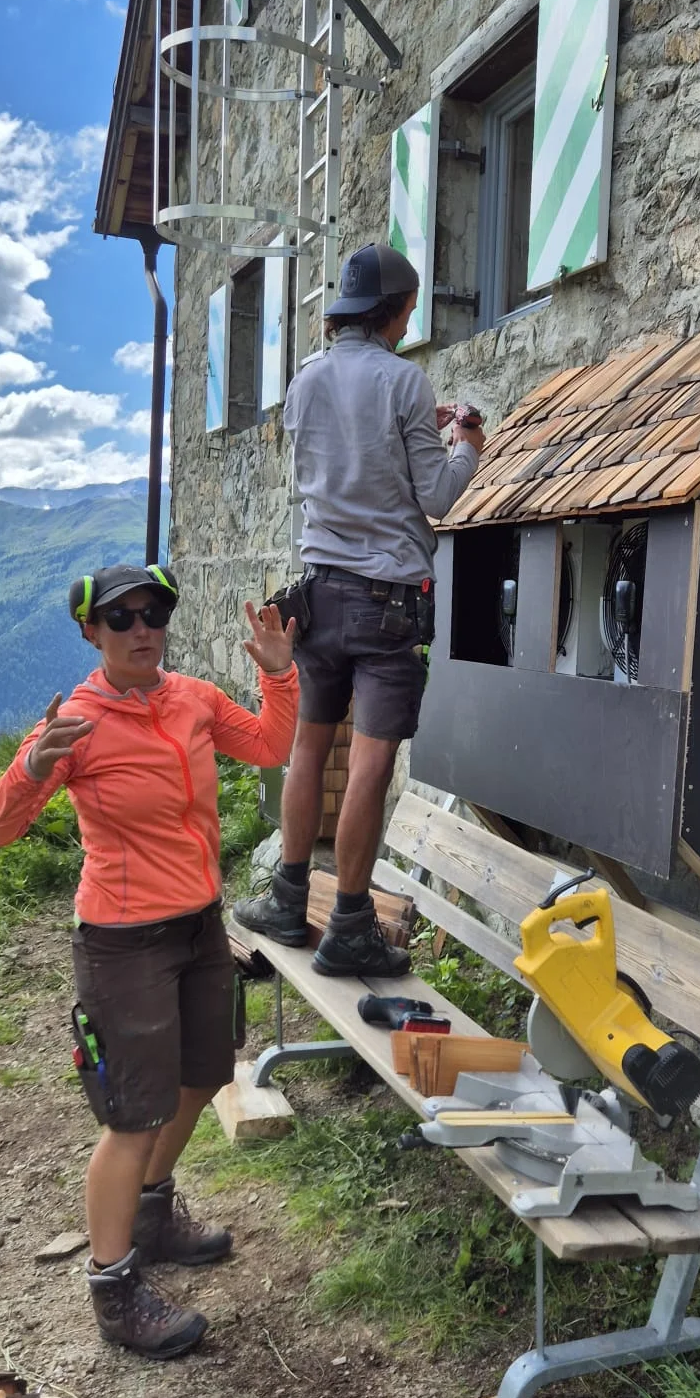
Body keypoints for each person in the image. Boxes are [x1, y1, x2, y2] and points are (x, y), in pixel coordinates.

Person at [0, 564, 298, 1359]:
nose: (142, 629)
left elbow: (270, 744)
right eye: (121, 619)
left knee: (203, 1076)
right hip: (123, 943)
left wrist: (279, 674)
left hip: (198, 927)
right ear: (91, 633)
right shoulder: (76, 724)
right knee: (130, 1118)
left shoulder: (192, 699)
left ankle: (152, 1215)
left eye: (153, 614)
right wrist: (31, 768)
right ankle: (114, 1289)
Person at [235, 241, 485, 976]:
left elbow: (345, 454)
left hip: (320, 592)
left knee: (310, 748)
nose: (409, 326)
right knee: (371, 764)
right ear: (394, 311)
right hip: (387, 603)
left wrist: (418, 423)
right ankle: (349, 923)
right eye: (408, 313)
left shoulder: (305, 379)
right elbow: (438, 496)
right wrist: (466, 444)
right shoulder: (405, 379)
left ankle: (287, 899)